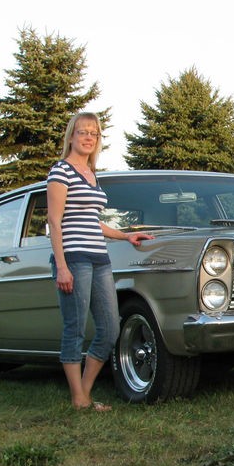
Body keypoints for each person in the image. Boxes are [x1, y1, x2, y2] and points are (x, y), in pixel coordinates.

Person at [47, 112, 154, 411]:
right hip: (73, 258)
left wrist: (126, 237)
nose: (88, 137)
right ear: (71, 136)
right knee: (75, 328)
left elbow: (94, 223)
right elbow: (55, 222)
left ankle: (84, 392)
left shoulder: (93, 176)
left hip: (99, 259)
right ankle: (79, 398)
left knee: (110, 329)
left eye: (93, 133)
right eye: (82, 132)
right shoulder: (61, 172)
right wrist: (62, 266)